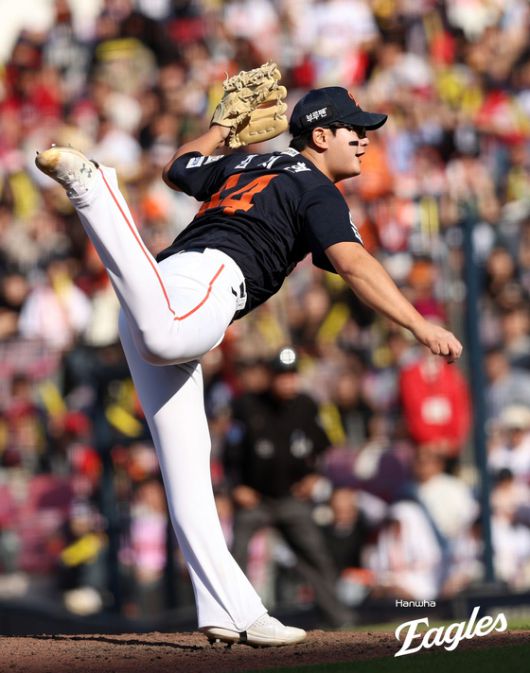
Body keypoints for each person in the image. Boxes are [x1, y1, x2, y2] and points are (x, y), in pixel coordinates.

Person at [35, 83, 462, 646]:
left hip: (161, 287)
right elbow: (355, 265)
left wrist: (219, 132)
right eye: (355, 130)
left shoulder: (246, 163)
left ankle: (232, 609)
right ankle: (95, 189)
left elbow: (178, 168)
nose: (364, 140)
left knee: (188, 468)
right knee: (164, 340)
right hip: (203, 284)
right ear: (321, 135)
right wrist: (419, 324)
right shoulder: (315, 187)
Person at [223, 346, 353, 627]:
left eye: (292, 375)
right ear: (270, 377)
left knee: (315, 555)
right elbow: (229, 452)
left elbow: (323, 447)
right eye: (282, 376)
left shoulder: (306, 405)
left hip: (291, 498)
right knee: (236, 556)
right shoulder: (247, 405)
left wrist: (315, 476)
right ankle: (232, 620)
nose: (288, 382)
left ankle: (340, 621)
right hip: (255, 498)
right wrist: (236, 487)